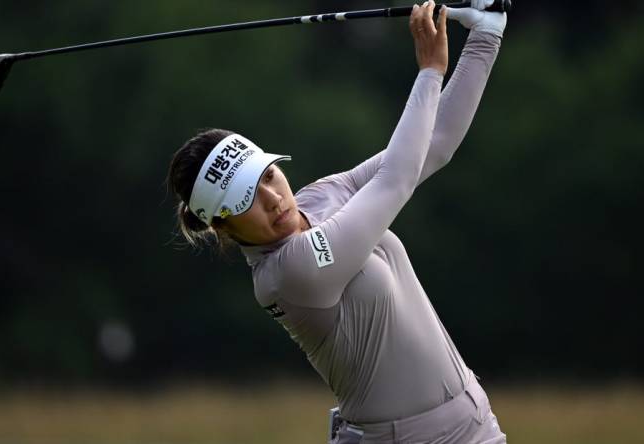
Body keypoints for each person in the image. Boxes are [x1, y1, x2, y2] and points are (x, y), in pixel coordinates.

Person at [166, 1, 507, 442]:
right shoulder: (288, 273)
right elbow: (396, 180)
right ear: (223, 226)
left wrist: (485, 36)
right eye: (248, 198)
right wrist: (428, 72)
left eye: (268, 176)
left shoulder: (321, 197)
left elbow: (432, 146)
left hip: (474, 424)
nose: (273, 199)